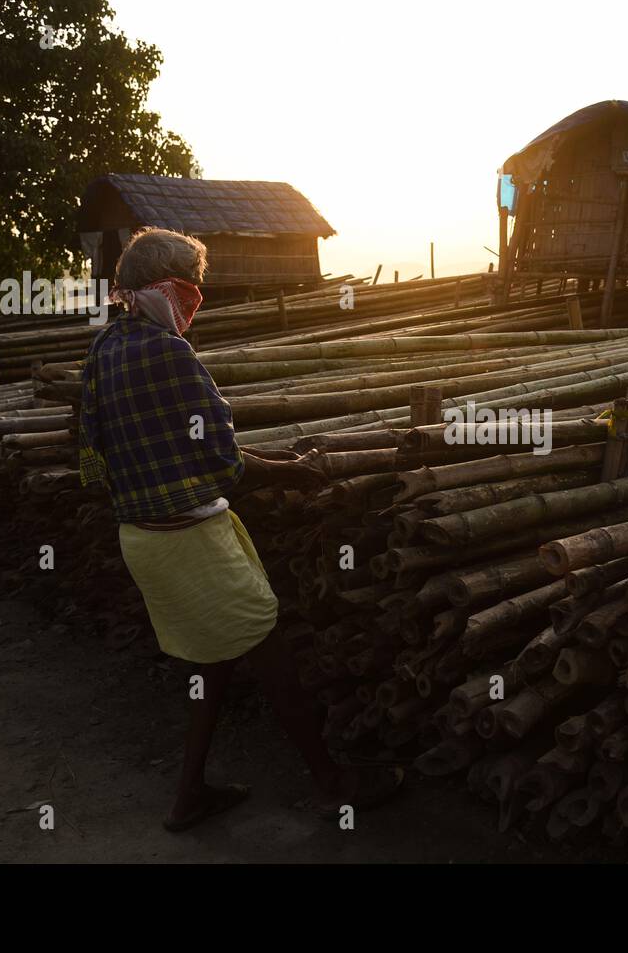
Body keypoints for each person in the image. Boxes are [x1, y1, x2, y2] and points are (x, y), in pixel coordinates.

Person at [78, 227, 401, 832]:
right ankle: (333, 784)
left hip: (144, 539)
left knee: (214, 661)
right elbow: (225, 462)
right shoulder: (169, 353)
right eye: (188, 291)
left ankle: (189, 795)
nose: (194, 304)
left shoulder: (104, 348)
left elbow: (92, 462)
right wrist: (303, 474)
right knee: (266, 645)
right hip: (187, 537)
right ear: (158, 289)